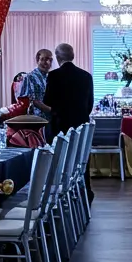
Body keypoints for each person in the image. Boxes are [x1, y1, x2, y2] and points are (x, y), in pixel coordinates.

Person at [42, 42, 95, 201]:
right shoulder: (86, 76)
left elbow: (48, 101)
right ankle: (85, 191)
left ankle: (57, 194)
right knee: (80, 159)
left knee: (58, 161)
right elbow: (90, 104)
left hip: (59, 126)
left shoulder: (53, 76)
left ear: (57, 58)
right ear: (73, 56)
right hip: (80, 124)